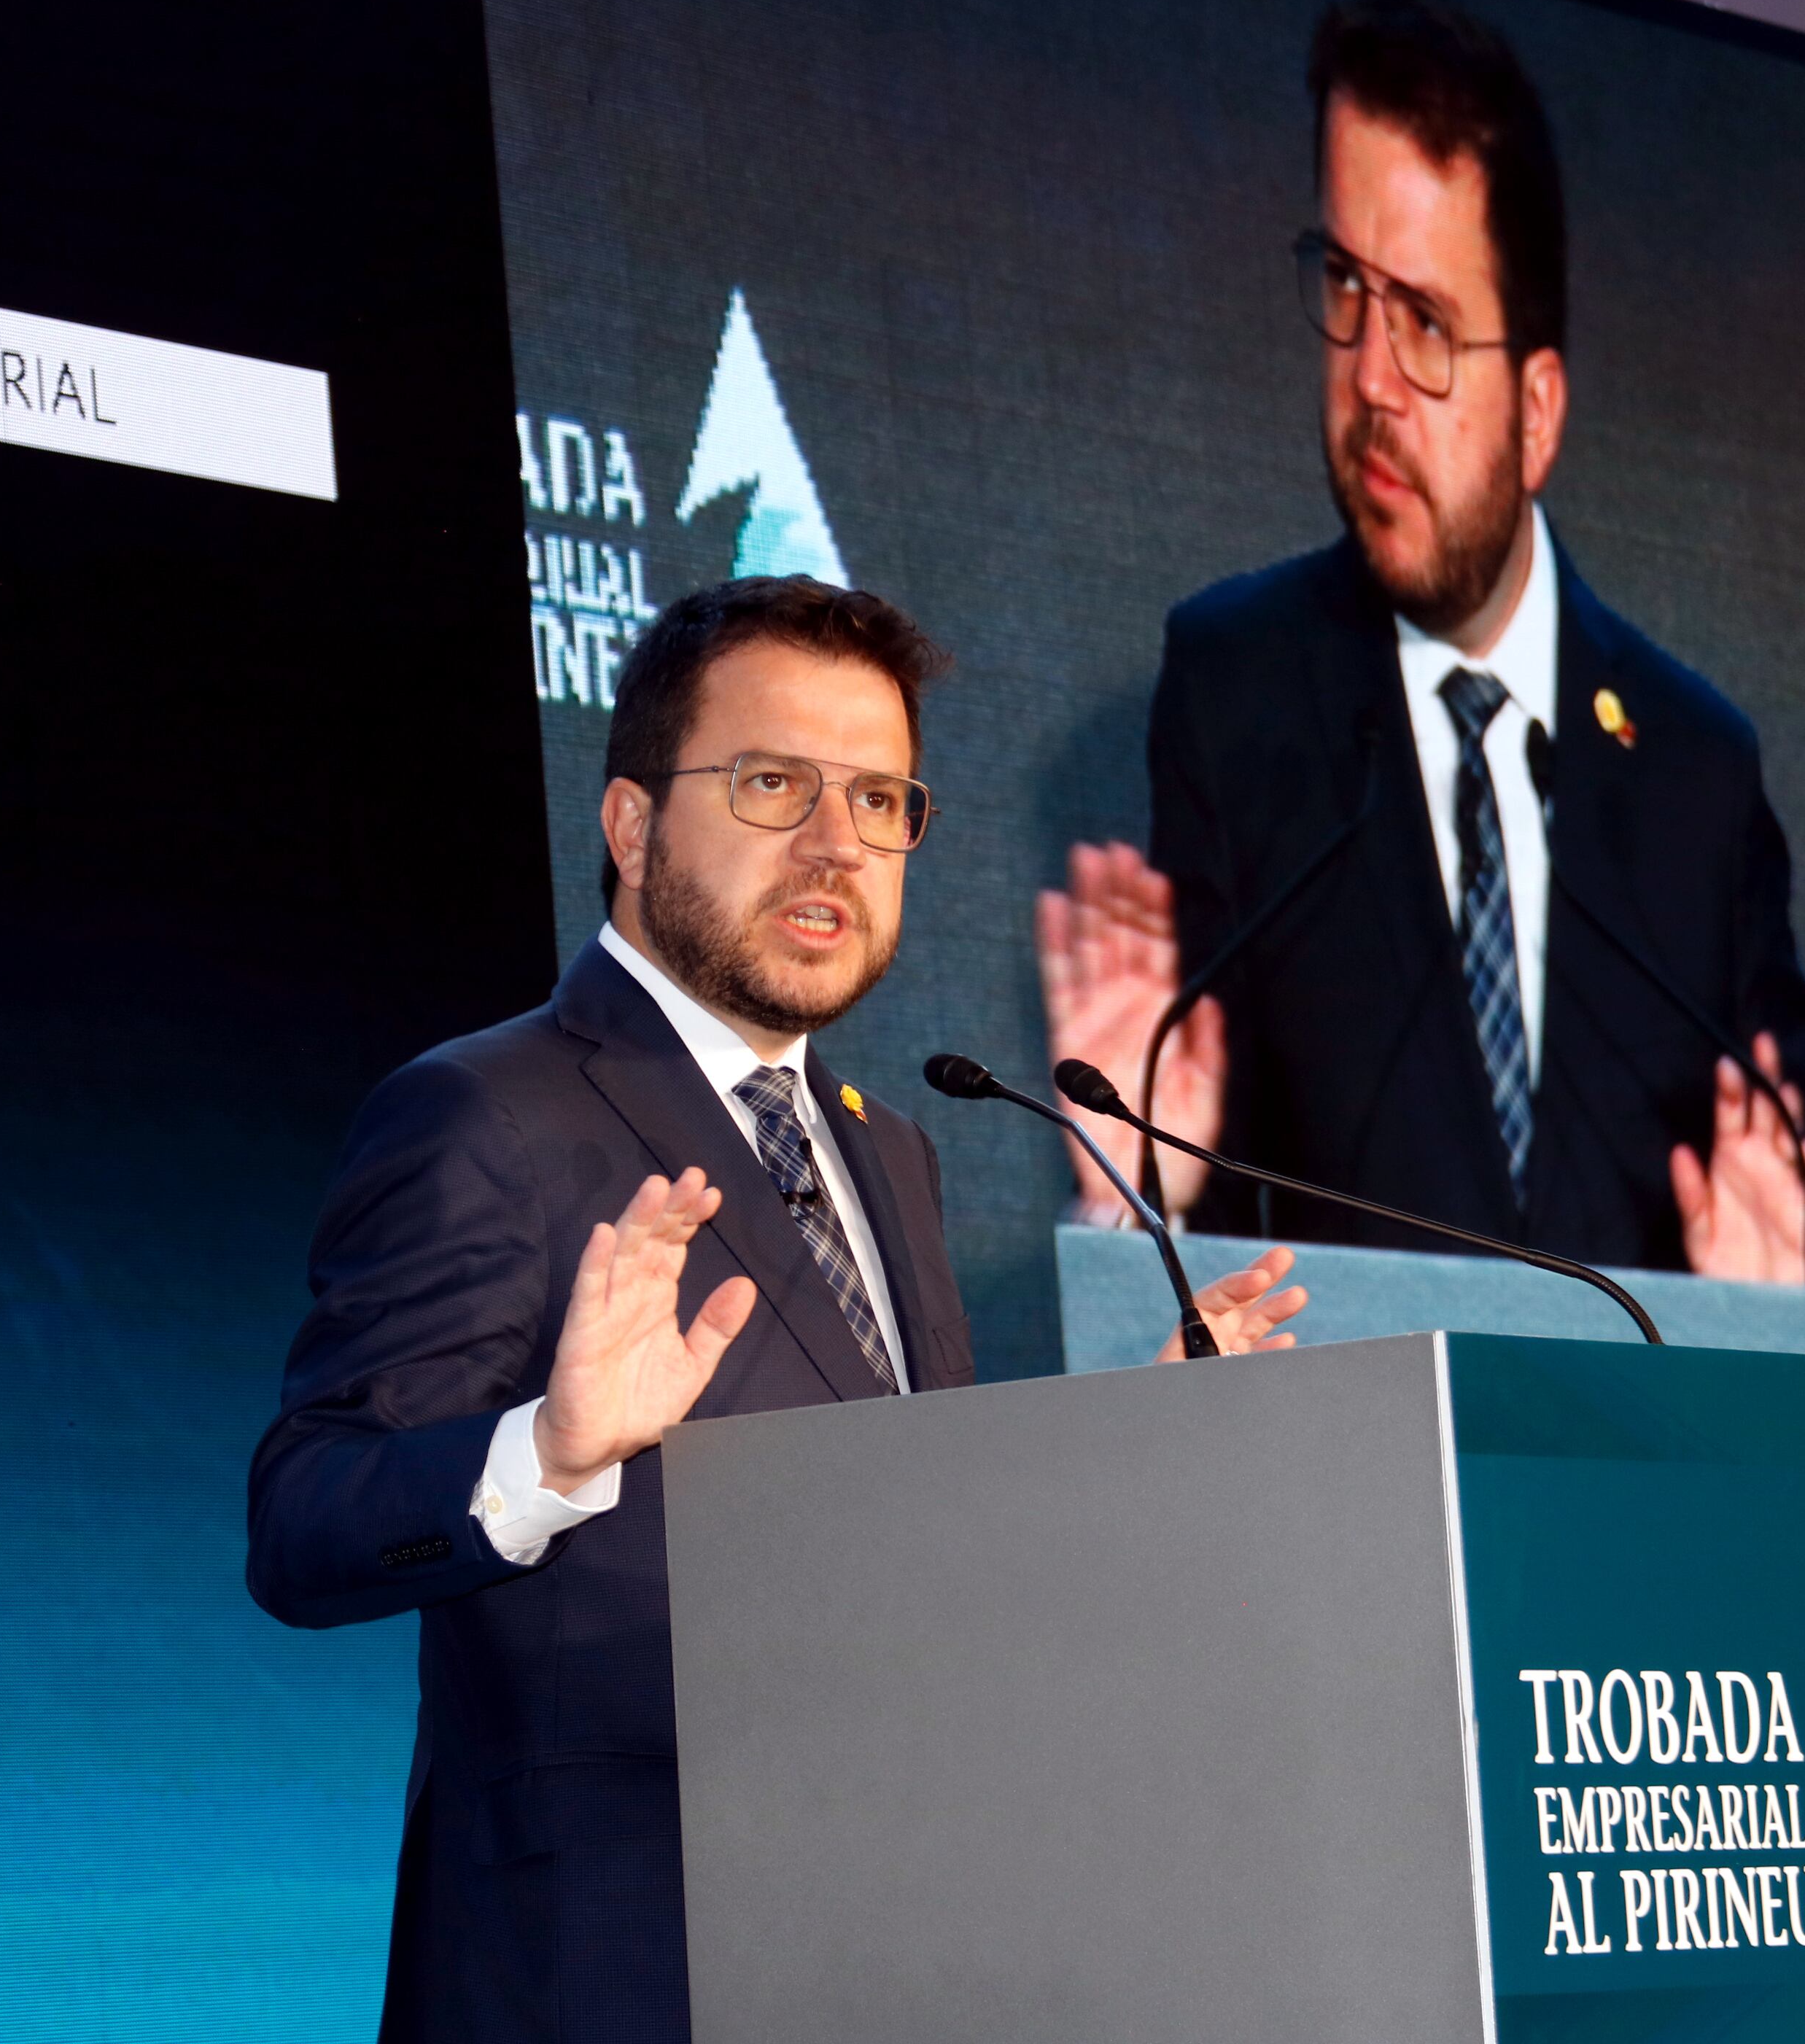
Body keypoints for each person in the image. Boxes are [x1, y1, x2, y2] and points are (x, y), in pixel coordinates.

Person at [248, 577, 1305, 2043]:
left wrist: (1122, 1441)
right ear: (631, 827)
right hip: (612, 1977)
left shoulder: (891, 1149)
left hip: (900, 1952)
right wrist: (546, 1454)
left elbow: (910, 1547)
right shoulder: (484, 1113)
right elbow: (305, 1520)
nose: (836, 844)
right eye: (772, 783)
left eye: (880, 799)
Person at [1039, 0, 1805, 1284]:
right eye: (1344, 288)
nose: (1370, 379)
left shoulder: (1697, 771)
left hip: (1639, 1471)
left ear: (1538, 410)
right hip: (1359, 1472)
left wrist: (1780, 1299)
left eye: (1425, 324)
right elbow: (1203, 1271)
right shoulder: (1241, 692)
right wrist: (1140, 1199)